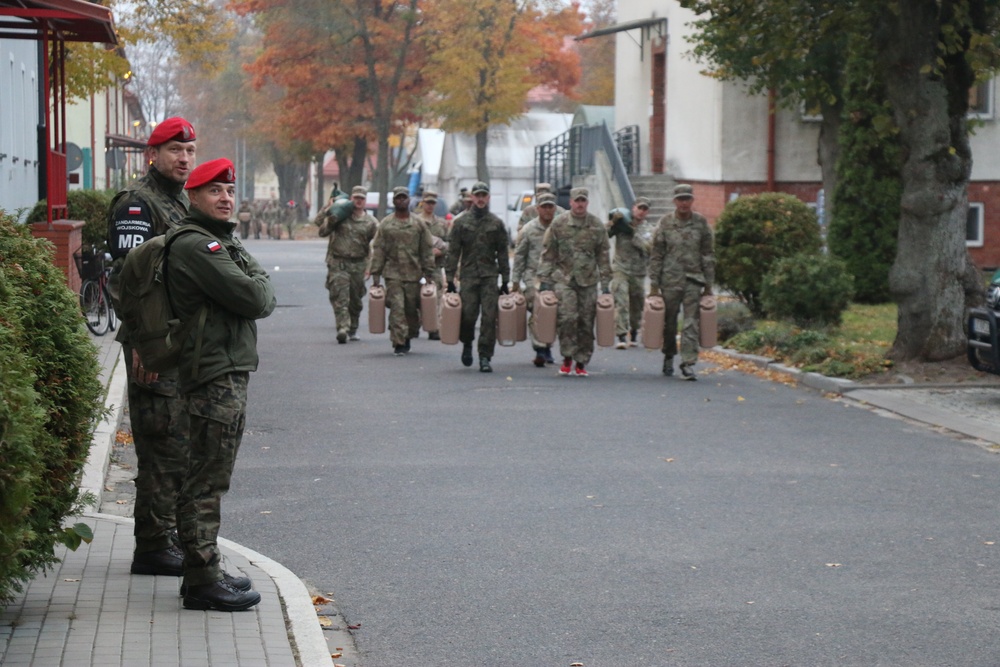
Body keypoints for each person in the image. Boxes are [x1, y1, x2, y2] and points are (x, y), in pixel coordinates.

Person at [165, 158, 276, 611]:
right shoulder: (197, 245)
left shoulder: (218, 240)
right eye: (214, 191)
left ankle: (201, 574)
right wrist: (258, 276)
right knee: (206, 480)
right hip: (212, 374)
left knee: (209, 476)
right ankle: (203, 580)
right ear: (193, 197)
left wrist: (248, 269)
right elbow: (256, 297)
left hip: (222, 370)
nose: (225, 198)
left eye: (229, 191)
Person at [106, 116, 196, 579]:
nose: (183, 158)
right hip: (153, 343)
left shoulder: (178, 201)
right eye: (174, 150)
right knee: (162, 442)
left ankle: (169, 538)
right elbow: (125, 280)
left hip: (176, 343)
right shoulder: (138, 205)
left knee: (179, 442)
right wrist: (145, 342)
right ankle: (154, 546)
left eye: (189, 151)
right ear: (152, 154)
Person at [537, 187, 611, 378]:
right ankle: (568, 356)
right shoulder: (559, 223)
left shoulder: (596, 226)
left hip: (588, 281)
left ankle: (581, 360)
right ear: (570, 202)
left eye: (583, 201)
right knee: (567, 318)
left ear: (587, 203)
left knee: (586, 322)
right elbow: (549, 254)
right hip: (564, 279)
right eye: (576, 201)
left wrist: (605, 284)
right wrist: (545, 281)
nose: (579, 204)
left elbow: (603, 256)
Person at [648, 184, 715, 380]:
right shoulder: (665, 223)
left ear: (692, 201)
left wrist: (709, 284)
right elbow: (657, 254)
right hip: (670, 280)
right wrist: (654, 284)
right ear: (675, 201)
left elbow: (708, 254)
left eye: (687, 199)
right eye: (680, 199)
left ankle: (688, 362)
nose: (684, 203)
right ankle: (669, 354)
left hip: (693, 279)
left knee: (691, 322)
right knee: (669, 323)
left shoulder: (701, 223)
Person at [444, 181, 510, 373]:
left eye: (484, 196)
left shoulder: (496, 224)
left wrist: (505, 279)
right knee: (468, 316)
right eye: (477, 196)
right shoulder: (461, 223)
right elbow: (454, 252)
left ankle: (485, 356)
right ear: (472, 198)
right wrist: (449, 279)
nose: (480, 199)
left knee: (489, 319)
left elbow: (503, 253)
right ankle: (467, 343)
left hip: (489, 277)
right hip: (469, 277)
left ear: (488, 198)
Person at [369, 186, 437, 356]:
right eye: (398, 198)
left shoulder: (418, 224)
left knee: (411, 310)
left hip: (414, 274)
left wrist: (429, 272)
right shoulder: (386, 224)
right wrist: (375, 274)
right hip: (393, 274)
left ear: (409, 200)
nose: (401, 201)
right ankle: (398, 341)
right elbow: (379, 249)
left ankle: (408, 335)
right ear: (394, 201)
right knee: (397, 308)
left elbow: (426, 249)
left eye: (404, 198)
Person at [317, 186, 378, 343]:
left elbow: (377, 246)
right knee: (340, 297)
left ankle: (353, 328)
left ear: (365, 201)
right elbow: (321, 230)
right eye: (356, 198)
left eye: (361, 198)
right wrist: (329, 210)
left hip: (359, 264)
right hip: (339, 262)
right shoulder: (340, 215)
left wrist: (371, 268)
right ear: (351, 199)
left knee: (355, 300)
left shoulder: (371, 222)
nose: (358, 201)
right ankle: (342, 328)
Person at [511, 192, 558, 366]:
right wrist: (515, 282)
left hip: (555, 276)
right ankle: (540, 348)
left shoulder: (559, 228)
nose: (547, 210)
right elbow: (520, 256)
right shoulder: (529, 229)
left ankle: (548, 345)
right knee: (538, 309)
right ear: (537, 208)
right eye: (543, 207)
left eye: (550, 207)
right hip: (533, 277)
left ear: (554, 209)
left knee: (554, 312)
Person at [607, 196, 656, 349]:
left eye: (644, 209)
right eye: (639, 208)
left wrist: (633, 233)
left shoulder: (649, 229)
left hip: (638, 271)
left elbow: (649, 248)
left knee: (637, 303)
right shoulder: (622, 223)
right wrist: (613, 223)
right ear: (633, 208)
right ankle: (621, 335)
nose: (641, 212)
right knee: (621, 301)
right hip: (620, 269)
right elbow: (603, 235)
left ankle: (634, 331)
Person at [414, 189, 450, 340]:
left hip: (435, 266)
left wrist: (441, 251)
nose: (430, 206)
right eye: (428, 202)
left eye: (432, 203)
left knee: (436, 296)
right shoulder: (415, 221)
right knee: (415, 296)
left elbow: (450, 243)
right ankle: (413, 326)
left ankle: (433, 327)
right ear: (423, 203)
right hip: (417, 266)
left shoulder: (441, 224)